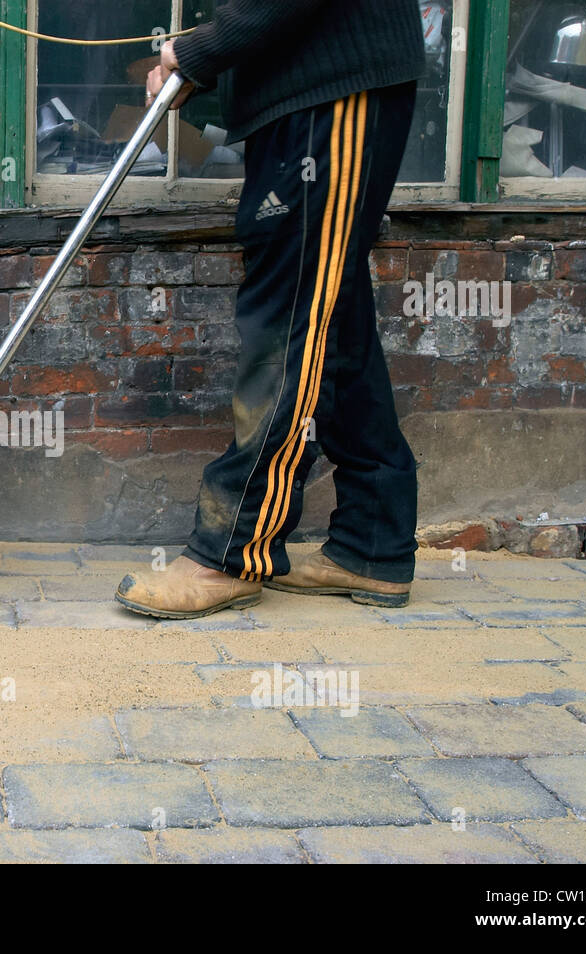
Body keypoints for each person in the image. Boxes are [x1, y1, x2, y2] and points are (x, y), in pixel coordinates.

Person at [116, 0, 427, 619]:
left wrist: (199, 50)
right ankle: (372, 544)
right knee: (332, 318)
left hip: (330, 100)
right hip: (306, 99)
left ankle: (232, 552)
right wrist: (207, 61)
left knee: (287, 319)